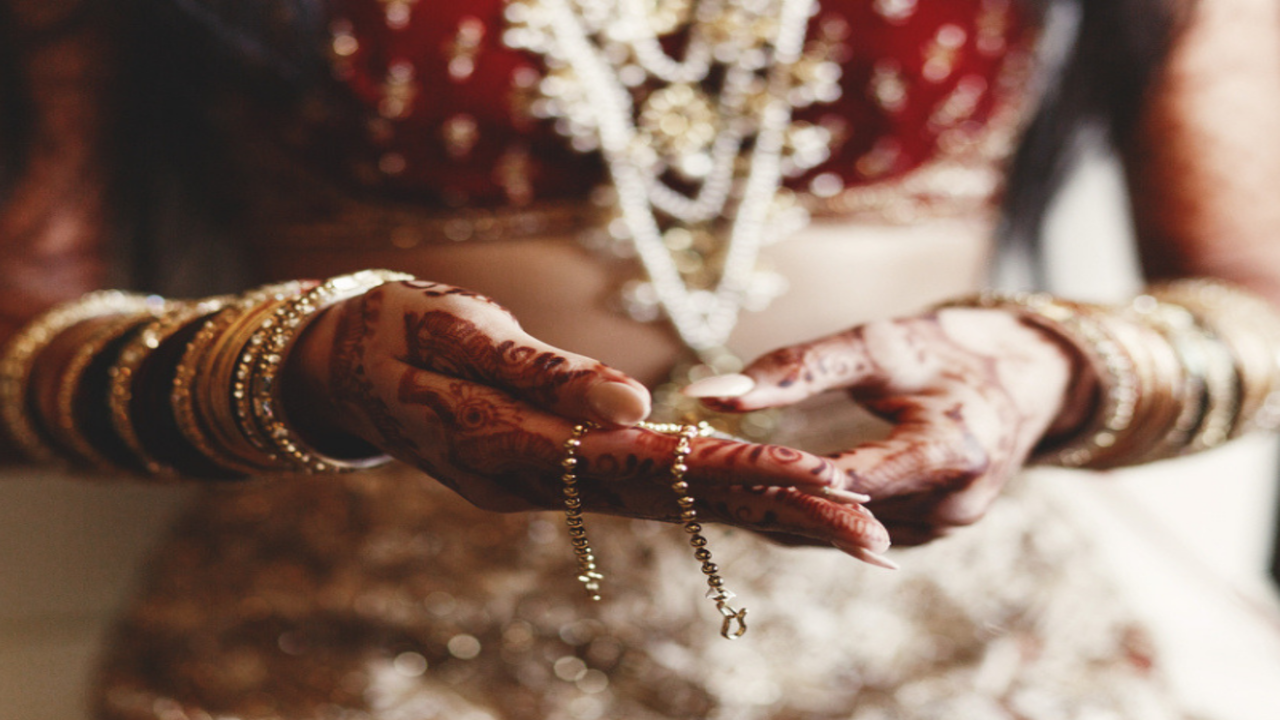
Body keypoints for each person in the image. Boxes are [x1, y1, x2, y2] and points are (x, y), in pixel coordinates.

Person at [2, 0, 1279, 717]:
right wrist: (294, 368)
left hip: (955, 657)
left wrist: (1049, 365)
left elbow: (1262, 307)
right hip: (347, 661)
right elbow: (17, 360)